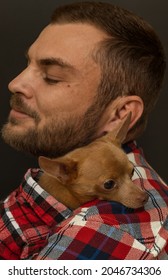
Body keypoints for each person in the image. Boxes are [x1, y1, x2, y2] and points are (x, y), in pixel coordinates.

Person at [0, 1, 168, 260]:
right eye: (28, 65)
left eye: (52, 76)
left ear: (121, 114)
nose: (15, 83)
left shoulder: (101, 231)